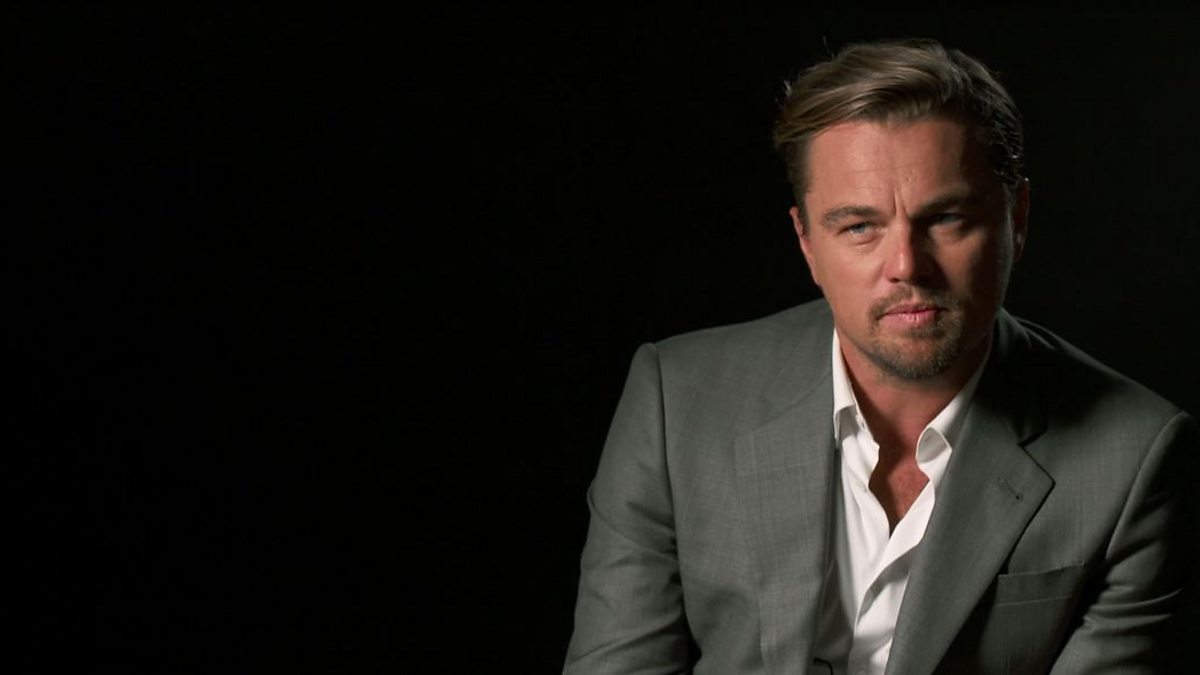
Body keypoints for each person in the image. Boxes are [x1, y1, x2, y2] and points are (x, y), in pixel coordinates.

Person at [563, 39, 1198, 674]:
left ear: (1017, 219)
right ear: (807, 243)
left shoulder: (1136, 459)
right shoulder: (676, 402)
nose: (906, 266)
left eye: (946, 218)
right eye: (860, 227)